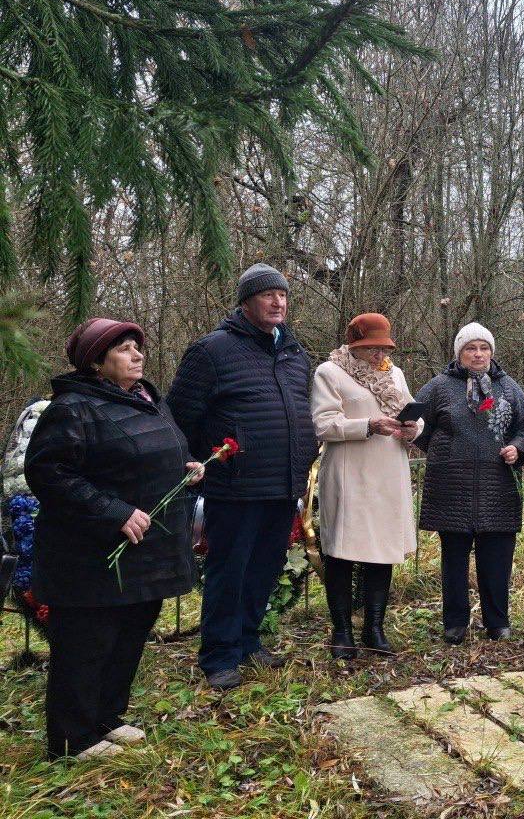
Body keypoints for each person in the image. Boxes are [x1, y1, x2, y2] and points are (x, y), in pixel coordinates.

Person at [25, 319, 202, 758]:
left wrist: (186, 466)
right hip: (92, 556)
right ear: (97, 363)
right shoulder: (73, 408)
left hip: (145, 555)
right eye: (125, 349)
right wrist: (113, 511)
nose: (138, 355)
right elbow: (47, 473)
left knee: (127, 637)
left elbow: (150, 453)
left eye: (137, 347)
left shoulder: (147, 400)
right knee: (87, 644)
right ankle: (72, 738)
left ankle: (107, 718)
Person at [167, 263, 318, 690]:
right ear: (246, 301)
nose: (278, 302)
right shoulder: (212, 351)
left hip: (283, 484)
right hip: (234, 485)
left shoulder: (294, 354)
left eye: (283, 295)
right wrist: (202, 464)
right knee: (228, 569)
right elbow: (180, 417)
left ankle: (248, 640)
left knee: (264, 569)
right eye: (268, 295)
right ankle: (218, 654)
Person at [414, 323, 524, 644]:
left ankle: (497, 621)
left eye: (484, 348)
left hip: (498, 484)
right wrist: (448, 452)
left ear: (492, 353)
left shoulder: (508, 387)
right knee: (454, 559)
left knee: (496, 557)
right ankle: (455, 623)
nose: (478, 354)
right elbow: (416, 426)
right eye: (471, 348)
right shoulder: (439, 386)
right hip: (451, 485)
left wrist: (519, 447)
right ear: (459, 353)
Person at [311, 313, 420, 659]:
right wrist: (368, 425)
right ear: (354, 345)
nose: (378, 354)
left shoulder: (395, 373)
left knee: (380, 554)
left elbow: (411, 414)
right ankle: (342, 631)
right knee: (342, 554)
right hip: (350, 475)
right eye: (370, 347)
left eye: (383, 347)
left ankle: (375, 627)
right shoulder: (330, 372)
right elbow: (323, 424)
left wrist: (412, 429)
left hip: (389, 473)